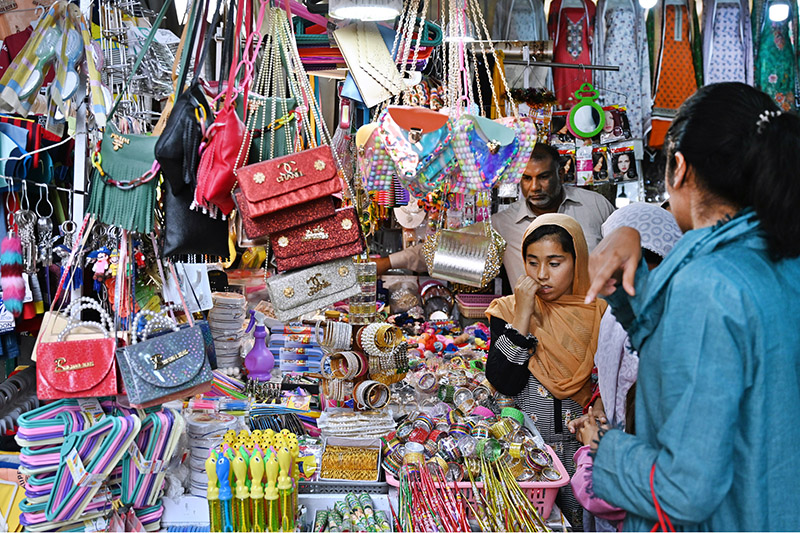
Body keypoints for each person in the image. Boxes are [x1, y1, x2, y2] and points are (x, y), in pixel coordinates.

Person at [584, 82, 800, 531]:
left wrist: (607, 448)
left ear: (678, 168)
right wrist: (631, 248)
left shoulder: (709, 284)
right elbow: (678, 347)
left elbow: (685, 490)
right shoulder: (776, 261)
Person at [485, 213, 608, 529]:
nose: (541, 275)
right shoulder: (508, 311)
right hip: (527, 455)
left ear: (577, 260)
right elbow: (503, 381)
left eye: (555, 263)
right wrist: (524, 313)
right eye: (532, 262)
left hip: (585, 449)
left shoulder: (600, 313)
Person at [568, 202, 683, 532]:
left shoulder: (668, 320)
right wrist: (601, 416)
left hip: (638, 475)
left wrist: (599, 446)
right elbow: (612, 379)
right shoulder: (614, 313)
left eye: (646, 264)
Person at [378, 144, 615, 284]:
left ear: (560, 175)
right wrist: (387, 262)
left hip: (599, 325)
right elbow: (445, 250)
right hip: (539, 336)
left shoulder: (596, 206)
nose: (535, 187)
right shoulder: (505, 224)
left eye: (543, 177)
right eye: (526, 178)